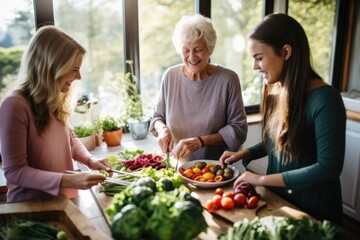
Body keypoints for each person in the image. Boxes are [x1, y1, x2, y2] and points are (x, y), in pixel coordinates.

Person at [219, 13, 346, 225]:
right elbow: (278, 142)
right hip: (278, 200)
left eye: (259, 58)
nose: (254, 66)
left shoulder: (326, 99)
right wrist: (245, 153)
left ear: (286, 52)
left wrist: (260, 180)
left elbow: (328, 167)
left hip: (313, 209)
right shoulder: (277, 91)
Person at [0, 25, 111, 202]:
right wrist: (68, 180)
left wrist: (91, 161)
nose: (79, 77)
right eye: (74, 69)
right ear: (51, 66)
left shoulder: (54, 99)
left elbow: (71, 139)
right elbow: (15, 172)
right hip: (33, 210)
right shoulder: (14, 105)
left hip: (66, 201)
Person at [149, 14, 248, 162]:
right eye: (186, 50)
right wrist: (162, 130)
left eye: (197, 49)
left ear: (210, 49)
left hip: (215, 169)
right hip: (179, 165)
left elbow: (238, 129)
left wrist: (200, 141)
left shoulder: (228, 80)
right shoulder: (170, 76)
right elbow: (158, 117)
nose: (191, 56)